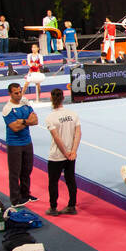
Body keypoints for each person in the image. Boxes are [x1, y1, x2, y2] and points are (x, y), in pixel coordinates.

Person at [45, 88, 80, 216]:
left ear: (51, 99)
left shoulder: (50, 117)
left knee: (53, 182)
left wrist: (65, 153)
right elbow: (78, 133)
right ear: (63, 98)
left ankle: (53, 208)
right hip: (71, 155)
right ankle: (72, 206)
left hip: (57, 156)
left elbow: (57, 138)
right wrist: (73, 152)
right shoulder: (73, 114)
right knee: (71, 180)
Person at [2, 83, 38, 206]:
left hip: (27, 142)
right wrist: (28, 121)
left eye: (20, 92)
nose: (19, 94)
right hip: (14, 144)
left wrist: (23, 121)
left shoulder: (25, 102)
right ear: (10, 94)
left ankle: (25, 194)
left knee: (27, 170)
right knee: (15, 173)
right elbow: (15, 128)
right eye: (16, 93)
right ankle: (15, 199)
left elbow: (35, 120)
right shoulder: (7, 109)